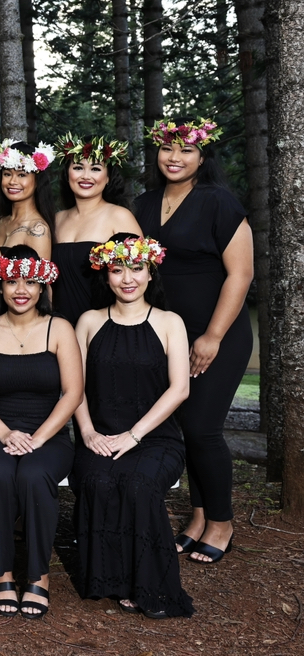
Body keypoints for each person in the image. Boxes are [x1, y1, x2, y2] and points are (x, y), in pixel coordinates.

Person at [133, 119, 253, 564]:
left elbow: (241, 274)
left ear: (202, 157)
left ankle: (222, 521)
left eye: (186, 150)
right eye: (167, 148)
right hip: (168, 337)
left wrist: (212, 336)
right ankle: (199, 517)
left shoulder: (219, 202)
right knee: (186, 430)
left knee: (203, 428)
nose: (175, 157)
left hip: (216, 334)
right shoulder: (144, 204)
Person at [73, 236, 193, 618]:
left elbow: (180, 389)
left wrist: (134, 434)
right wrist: (88, 432)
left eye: (136, 268)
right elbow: (74, 387)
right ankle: (112, 580)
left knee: (138, 484)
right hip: (99, 435)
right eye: (117, 270)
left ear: (150, 272)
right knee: (98, 481)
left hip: (156, 439)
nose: (127, 279)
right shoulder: (89, 321)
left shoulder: (170, 323)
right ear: (106, 275)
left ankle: (149, 585)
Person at [0, 248, 82, 618]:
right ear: (0, 286)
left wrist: (39, 438)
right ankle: (2, 572)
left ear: (42, 286)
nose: (21, 290)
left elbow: (73, 393)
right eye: (12, 281)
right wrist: (5, 433)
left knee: (34, 475)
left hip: (47, 433)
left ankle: (38, 574)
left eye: (31, 282)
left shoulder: (59, 329)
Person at [51, 135, 142, 324]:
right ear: (67, 174)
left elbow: (139, 277)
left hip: (105, 325)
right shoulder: (56, 220)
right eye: (78, 167)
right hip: (58, 325)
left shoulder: (120, 216)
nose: (86, 176)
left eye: (95, 169)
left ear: (108, 178)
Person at [0, 140, 56, 258]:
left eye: (22, 175)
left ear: (37, 181)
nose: (12, 181)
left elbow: (40, 270)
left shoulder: (38, 230)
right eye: (7, 174)